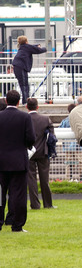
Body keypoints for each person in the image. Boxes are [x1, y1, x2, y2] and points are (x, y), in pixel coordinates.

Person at [0, 90, 35, 232]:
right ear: (19, 102)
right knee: (18, 194)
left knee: (0, 194)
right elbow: (31, 138)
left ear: (6, 101)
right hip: (18, 162)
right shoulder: (25, 117)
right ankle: (17, 225)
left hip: (1, 162)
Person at [26, 97, 56, 209]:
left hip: (28, 152)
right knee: (45, 179)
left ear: (27, 107)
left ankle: (35, 204)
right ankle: (48, 204)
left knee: (31, 179)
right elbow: (52, 136)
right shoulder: (45, 119)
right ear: (37, 107)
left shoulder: (25, 118)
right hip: (43, 152)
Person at [12, 35, 47, 105]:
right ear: (26, 41)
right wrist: (46, 48)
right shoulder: (27, 47)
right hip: (20, 67)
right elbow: (39, 50)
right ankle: (25, 101)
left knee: (23, 84)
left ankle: (25, 100)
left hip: (17, 67)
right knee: (24, 85)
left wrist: (37, 45)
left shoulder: (23, 47)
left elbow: (32, 47)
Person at [59, 103, 82, 182]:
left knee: (68, 163)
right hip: (78, 145)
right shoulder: (80, 119)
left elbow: (60, 130)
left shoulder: (65, 121)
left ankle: (68, 179)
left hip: (68, 147)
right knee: (81, 162)